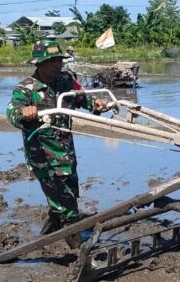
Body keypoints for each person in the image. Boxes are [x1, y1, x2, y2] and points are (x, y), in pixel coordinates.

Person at [6, 40, 107, 237]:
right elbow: (12, 111)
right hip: (43, 153)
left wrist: (98, 103)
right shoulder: (26, 88)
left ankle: (52, 228)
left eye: (59, 60)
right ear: (39, 64)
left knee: (69, 189)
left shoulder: (65, 80)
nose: (57, 65)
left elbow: (82, 97)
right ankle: (76, 242)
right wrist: (23, 112)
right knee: (62, 199)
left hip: (66, 149)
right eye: (52, 61)